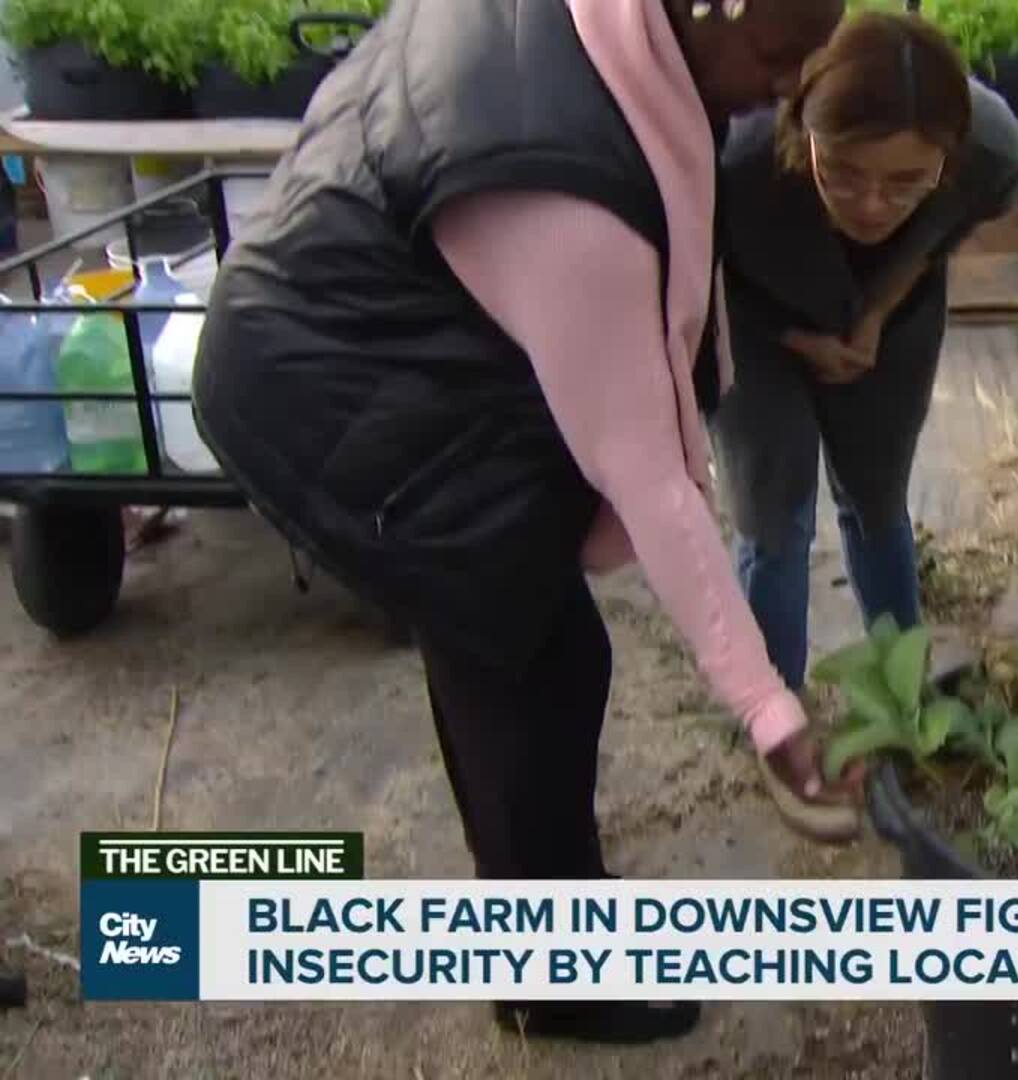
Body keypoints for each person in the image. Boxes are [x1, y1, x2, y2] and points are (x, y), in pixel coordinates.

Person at [189, 0, 857, 1044]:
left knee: (518, 651)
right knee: (534, 668)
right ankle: (554, 984)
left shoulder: (599, 33)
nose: (792, 84)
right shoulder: (555, 186)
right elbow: (647, 477)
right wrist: (769, 708)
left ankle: (549, 922)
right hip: (337, 387)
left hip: (399, 333)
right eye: (779, 54)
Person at [708, 10, 1018, 689]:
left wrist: (879, 310)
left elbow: (952, 220)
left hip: (891, 322)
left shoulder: (989, 149)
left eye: (906, 181)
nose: (873, 205)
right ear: (802, 133)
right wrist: (797, 339)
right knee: (774, 509)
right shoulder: (733, 162)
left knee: (877, 497)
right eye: (843, 173)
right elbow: (693, 281)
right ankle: (775, 707)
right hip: (749, 328)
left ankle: (904, 683)